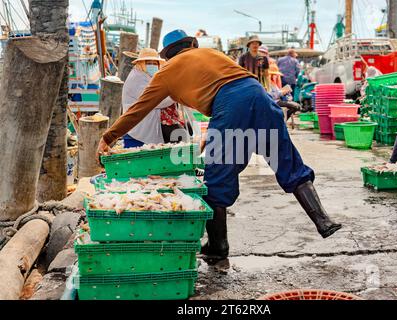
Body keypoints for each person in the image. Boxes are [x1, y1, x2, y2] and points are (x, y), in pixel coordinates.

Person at [97, 29, 342, 262]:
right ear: (191, 45)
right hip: (259, 95)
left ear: (166, 55)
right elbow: (243, 86)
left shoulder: (166, 73)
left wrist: (108, 137)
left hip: (229, 105)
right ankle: (323, 221)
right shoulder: (212, 54)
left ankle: (218, 245)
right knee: (285, 160)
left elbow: (137, 110)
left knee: (216, 176)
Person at [121, 48, 187, 147]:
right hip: (138, 125)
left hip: (147, 122)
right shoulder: (137, 79)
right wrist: (175, 95)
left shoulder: (146, 76)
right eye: (148, 63)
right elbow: (157, 101)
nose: (152, 66)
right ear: (141, 63)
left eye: (154, 63)